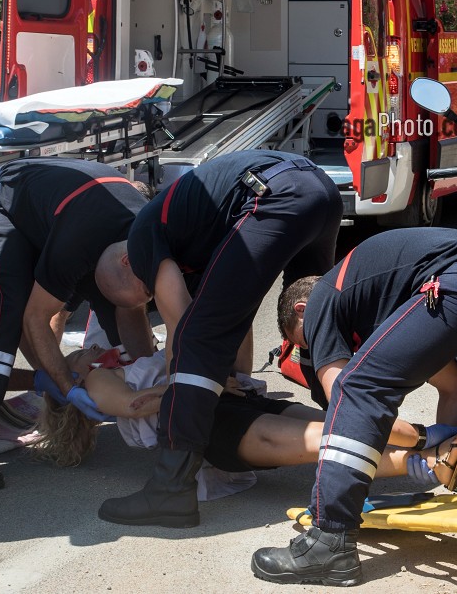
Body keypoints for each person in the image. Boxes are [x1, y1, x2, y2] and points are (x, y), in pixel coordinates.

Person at [251, 227, 457, 586]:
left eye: (306, 342)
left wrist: (421, 442)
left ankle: (330, 540)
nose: (319, 349)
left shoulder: (324, 297)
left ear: (302, 312)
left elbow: (345, 393)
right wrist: (439, 454)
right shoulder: (381, 297)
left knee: (356, 386)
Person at [97, 150, 341, 529]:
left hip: (274, 192)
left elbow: (185, 328)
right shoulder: (192, 239)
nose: (152, 302)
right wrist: (233, 377)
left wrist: (178, 390)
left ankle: (170, 489)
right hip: (320, 191)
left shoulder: (143, 235)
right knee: (312, 322)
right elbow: (235, 311)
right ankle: (352, 435)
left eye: (146, 294)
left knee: (197, 337)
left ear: (130, 263)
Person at [0, 157, 152, 490]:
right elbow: (37, 317)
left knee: (120, 308)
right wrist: (66, 386)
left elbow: (133, 312)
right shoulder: (76, 244)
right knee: (8, 305)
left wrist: (153, 382)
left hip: (65, 207)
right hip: (4, 202)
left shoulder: (149, 239)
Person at [32, 345, 457, 492]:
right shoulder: (93, 382)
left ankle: (433, 440)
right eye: (75, 352)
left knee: (335, 425)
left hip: (228, 400)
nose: (83, 346)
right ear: (72, 373)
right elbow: (131, 407)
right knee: (323, 441)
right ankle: (428, 463)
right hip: (208, 423)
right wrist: (193, 383)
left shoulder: (115, 362)